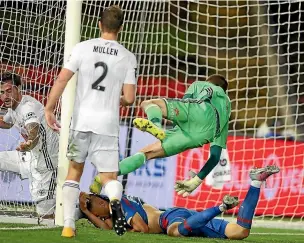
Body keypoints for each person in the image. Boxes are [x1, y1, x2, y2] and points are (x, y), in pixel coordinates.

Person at [44, 5, 137, 237]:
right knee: (109, 178)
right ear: (121, 28)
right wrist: (118, 98)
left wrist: (49, 108)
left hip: (81, 121)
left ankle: (68, 225)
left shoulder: (82, 48)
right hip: (107, 125)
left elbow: (62, 79)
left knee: (74, 171)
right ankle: (114, 199)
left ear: (98, 24)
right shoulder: (127, 56)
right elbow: (130, 98)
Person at [91, 74, 231, 197]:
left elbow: (186, 102)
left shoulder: (199, 85)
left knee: (149, 104)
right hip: (202, 135)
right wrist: (196, 181)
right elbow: (215, 156)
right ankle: (101, 178)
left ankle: (157, 126)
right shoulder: (226, 107)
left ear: (208, 81)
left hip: (197, 112)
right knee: (146, 154)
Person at [82, 165, 279, 240]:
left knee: (175, 232)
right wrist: (88, 212)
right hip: (190, 219)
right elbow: (107, 226)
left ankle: (221, 207)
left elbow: (141, 228)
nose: (98, 199)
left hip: (169, 219)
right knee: (241, 232)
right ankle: (255, 181)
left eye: (96, 198)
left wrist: (88, 207)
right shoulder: (110, 215)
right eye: (94, 202)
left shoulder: (120, 204)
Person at [0, 72, 58, 218]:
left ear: (18, 88)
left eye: (9, 91)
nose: (5, 96)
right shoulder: (14, 108)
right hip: (30, 156)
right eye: (2, 92)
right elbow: (7, 123)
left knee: (45, 215)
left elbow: (34, 129)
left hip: (47, 165)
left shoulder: (27, 107)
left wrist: (30, 142)